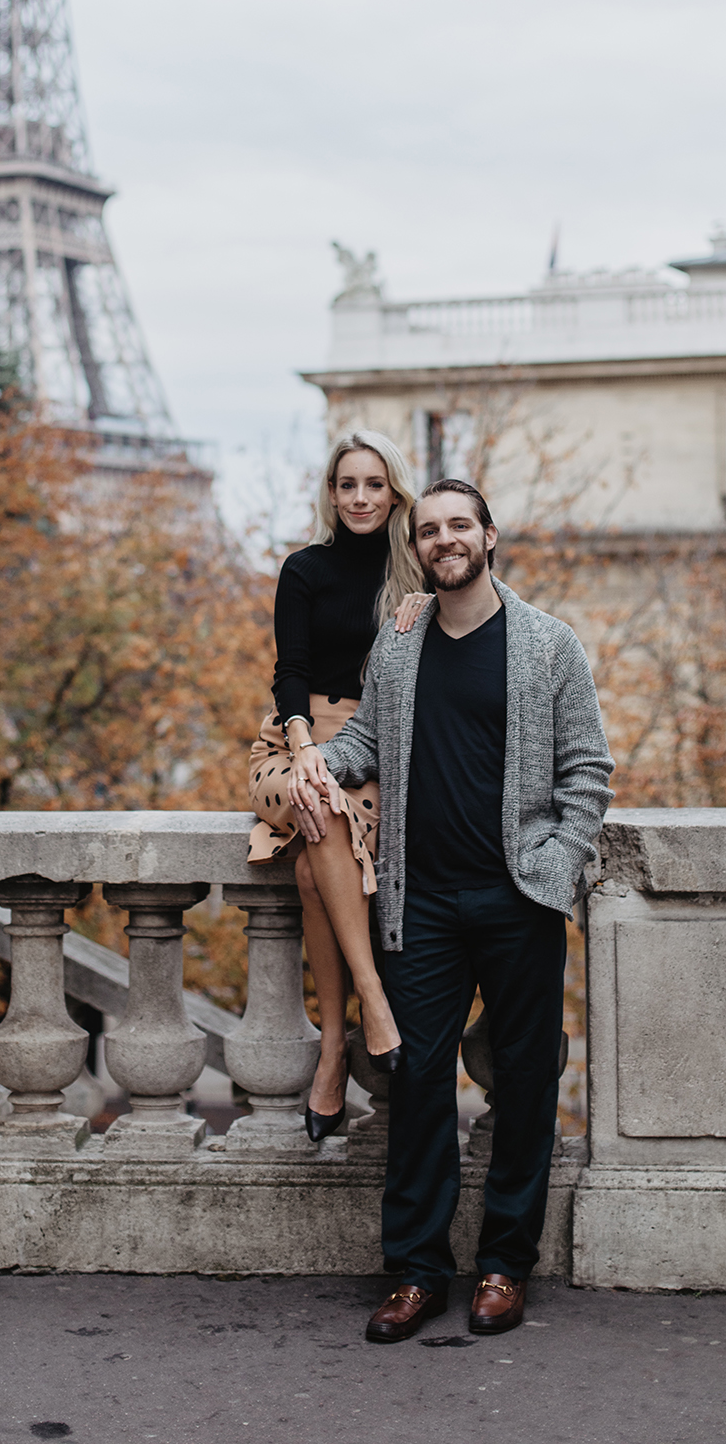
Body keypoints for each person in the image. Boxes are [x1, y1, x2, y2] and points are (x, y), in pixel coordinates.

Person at [289, 478, 613, 1343]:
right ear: (420, 547)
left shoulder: (548, 645)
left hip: (518, 899)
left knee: (523, 1082)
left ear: (490, 536)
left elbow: (588, 771)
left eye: (459, 525)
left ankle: (506, 1264)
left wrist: (556, 865)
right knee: (416, 1081)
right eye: (429, 530)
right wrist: (317, 762)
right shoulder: (398, 646)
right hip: (419, 901)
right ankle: (418, 1272)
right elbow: (367, 741)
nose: (445, 539)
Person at [247, 430, 429, 1140]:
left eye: (374, 484)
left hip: (383, 745)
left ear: (395, 493)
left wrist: (422, 612)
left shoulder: (416, 577)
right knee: (316, 796)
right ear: (331, 494)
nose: (360, 497)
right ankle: (371, 1005)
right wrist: (304, 748)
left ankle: (330, 1050)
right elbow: (288, 671)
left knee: (311, 873)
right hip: (291, 743)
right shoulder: (303, 570)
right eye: (347, 484)